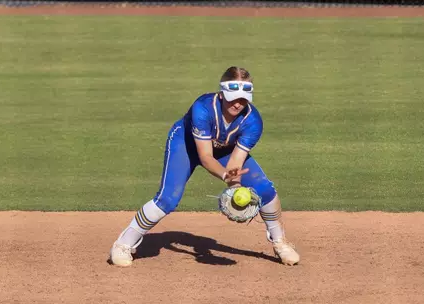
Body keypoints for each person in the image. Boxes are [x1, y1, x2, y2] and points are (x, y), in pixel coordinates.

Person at [109, 66, 300, 267]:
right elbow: (206, 157)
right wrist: (226, 176)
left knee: (266, 190)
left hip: (224, 150)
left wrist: (235, 189)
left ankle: (280, 243)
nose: (238, 103)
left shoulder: (253, 121)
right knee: (167, 199)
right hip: (186, 144)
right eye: (234, 97)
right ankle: (122, 245)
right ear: (222, 93)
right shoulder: (202, 108)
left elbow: (236, 162)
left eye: (243, 99)